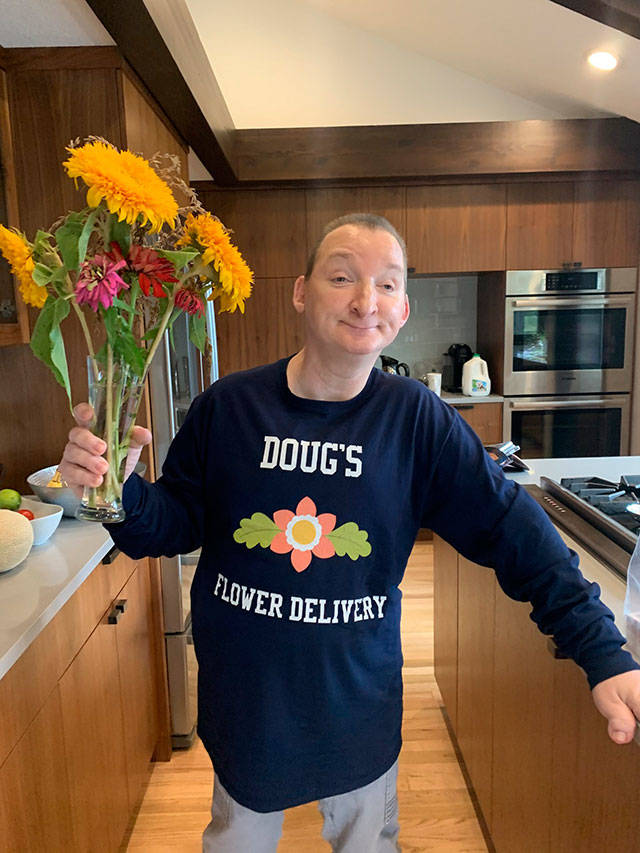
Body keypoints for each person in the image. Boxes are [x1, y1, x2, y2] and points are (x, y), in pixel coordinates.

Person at [60, 214, 640, 852]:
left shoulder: (418, 420)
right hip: (249, 705)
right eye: (342, 278)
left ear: (403, 309)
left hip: (358, 705)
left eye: (387, 285)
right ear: (301, 292)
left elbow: (516, 532)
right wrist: (117, 492)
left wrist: (602, 652)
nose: (366, 301)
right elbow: (168, 525)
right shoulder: (229, 407)